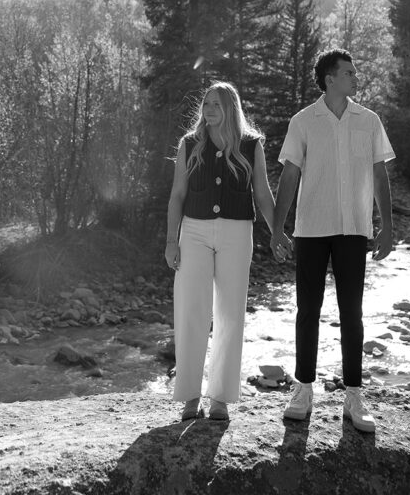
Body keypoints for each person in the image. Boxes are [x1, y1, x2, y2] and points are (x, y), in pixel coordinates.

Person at [270, 48, 395, 433]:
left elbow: (379, 175)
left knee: (352, 315)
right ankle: (303, 390)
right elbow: (289, 177)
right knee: (307, 312)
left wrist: (387, 226)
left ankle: (353, 397)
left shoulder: (369, 121)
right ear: (330, 79)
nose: (356, 78)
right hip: (310, 230)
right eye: (349, 72)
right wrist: (277, 228)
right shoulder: (303, 121)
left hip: (355, 230)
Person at [165, 81, 292, 422]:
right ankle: (190, 397)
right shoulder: (190, 144)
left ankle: (219, 398)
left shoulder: (251, 145)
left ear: (231, 109)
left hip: (238, 232)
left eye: (217, 105)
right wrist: (170, 240)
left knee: (230, 314)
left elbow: (263, 194)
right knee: (192, 310)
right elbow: (177, 195)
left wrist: (277, 232)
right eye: (206, 104)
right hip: (193, 232)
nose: (209, 110)